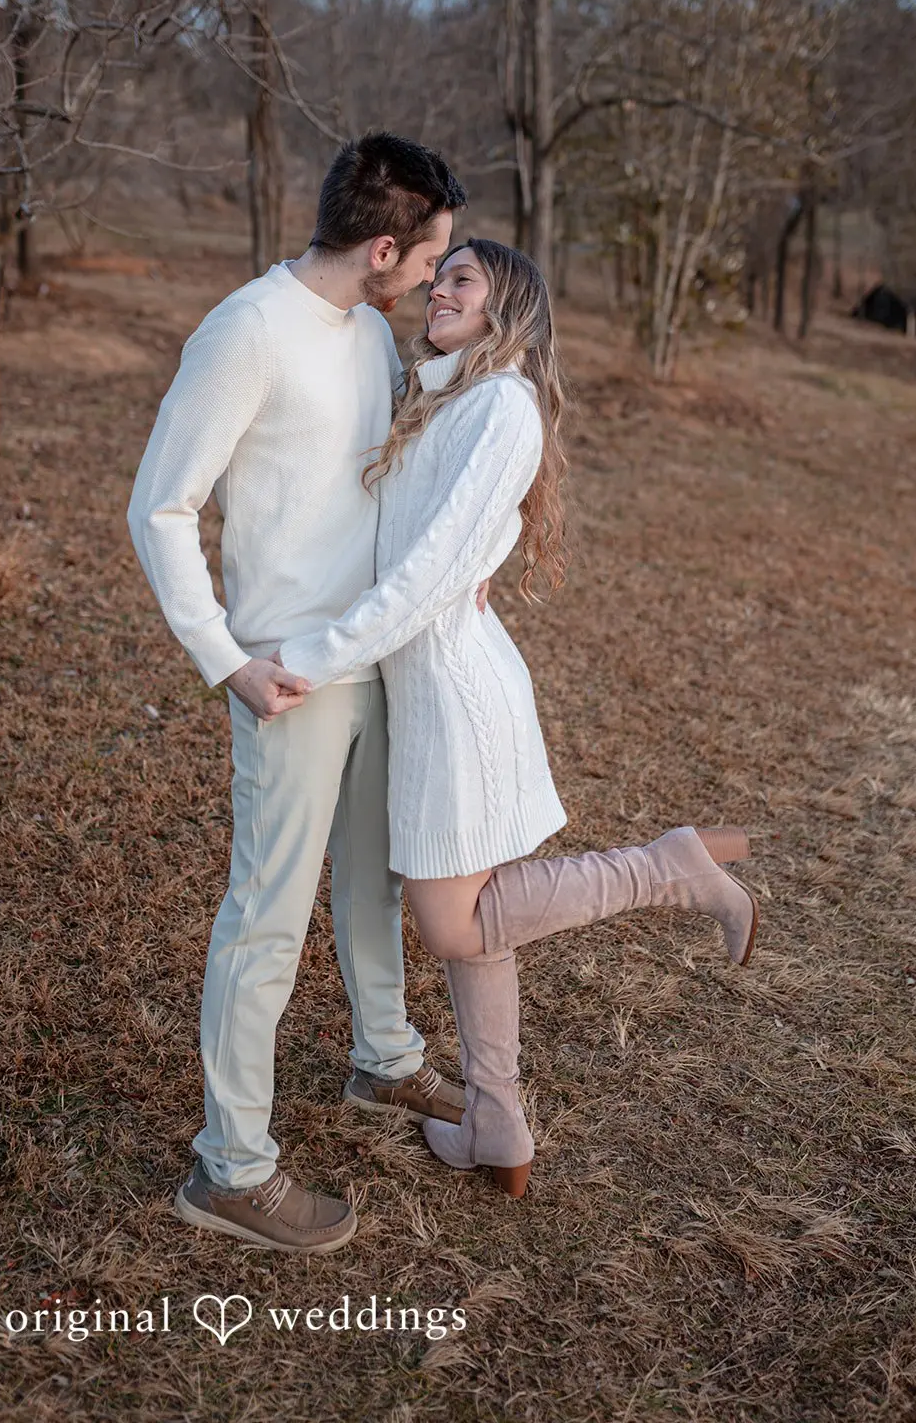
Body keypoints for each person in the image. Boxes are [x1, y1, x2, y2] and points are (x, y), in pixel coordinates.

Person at [276, 238, 759, 1199]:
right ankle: (496, 1122)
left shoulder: (500, 407)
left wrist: (311, 657)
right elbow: (409, 545)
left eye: (461, 278)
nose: (438, 289)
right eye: (439, 275)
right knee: (480, 910)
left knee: (454, 926)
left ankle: (667, 868)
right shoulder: (446, 399)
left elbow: (425, 575)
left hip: (455, 701)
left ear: (507, 308)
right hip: (421, 690)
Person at [128, 132, 479, 1256]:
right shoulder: (244, 332)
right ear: (381, 249)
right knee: (266, 918)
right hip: (285, 672)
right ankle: (229, 1168)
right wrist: (224, 657)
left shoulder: (369, 331)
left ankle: (384, 1058)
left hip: (376, 654)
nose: (429, 276)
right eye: (425, 257)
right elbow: (160, 507)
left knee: (375, 877)